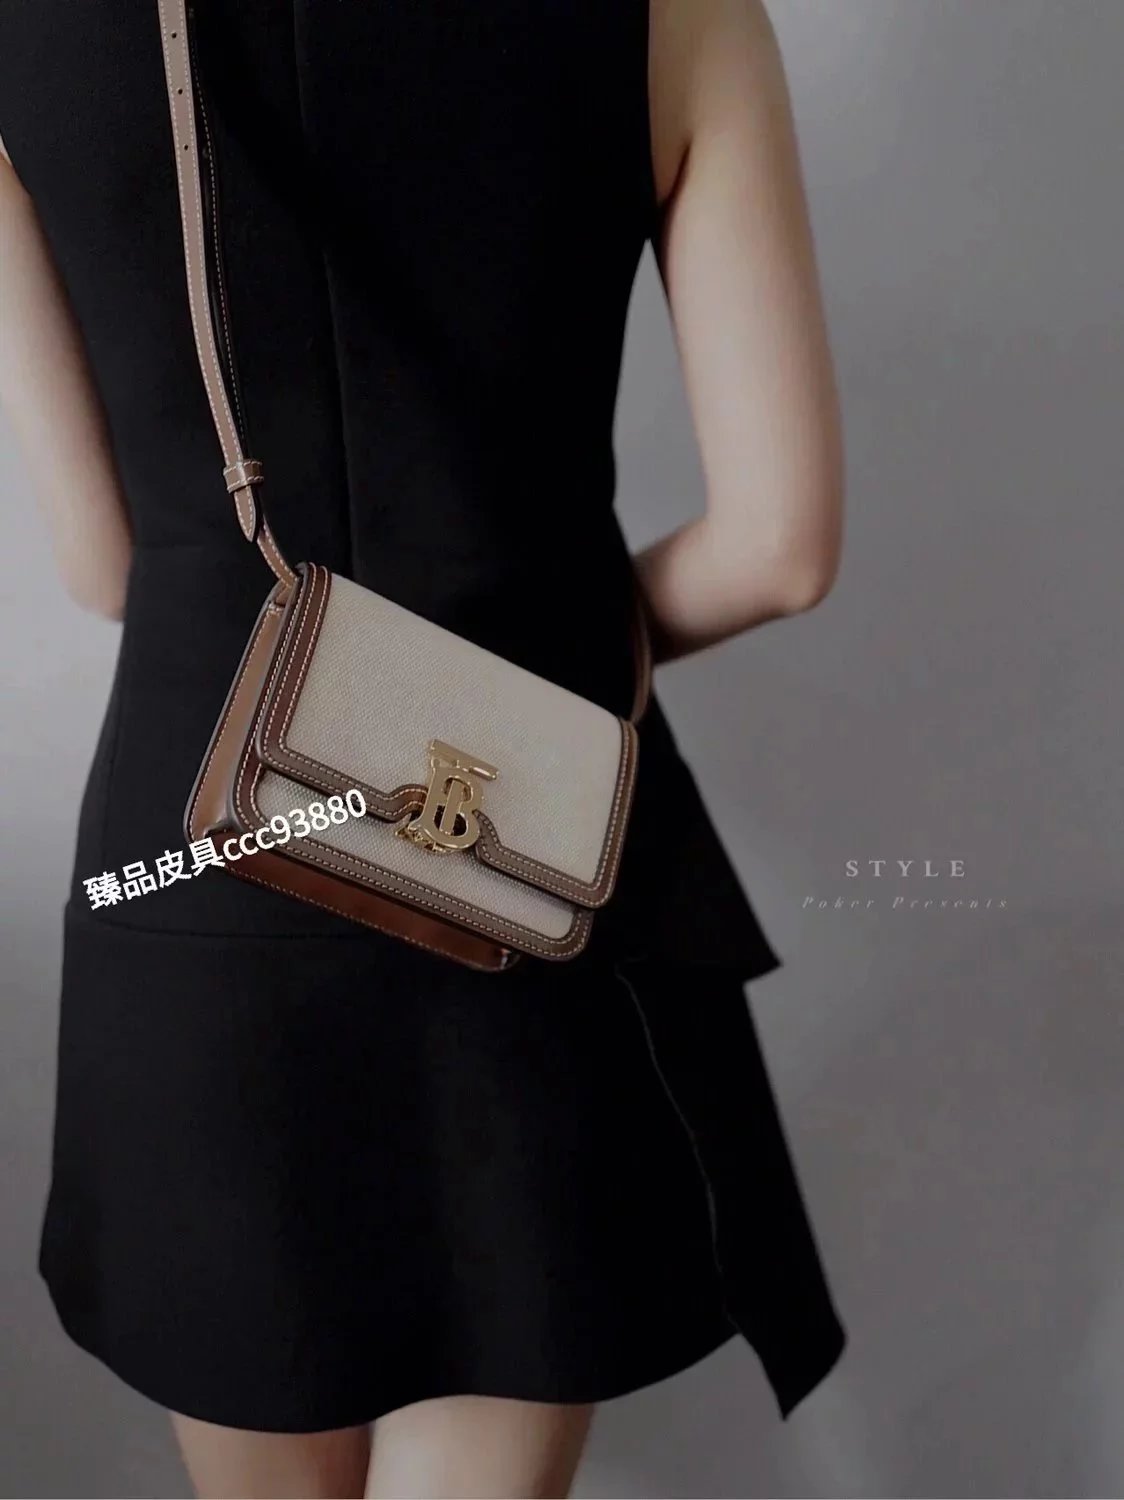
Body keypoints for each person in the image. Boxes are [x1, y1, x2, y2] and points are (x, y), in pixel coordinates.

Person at [0, 0, 846, 1495]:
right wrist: (531, 669)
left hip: (194, 865)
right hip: (524, 851)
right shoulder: (684, 15)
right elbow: (780, 550)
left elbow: (104, 564)